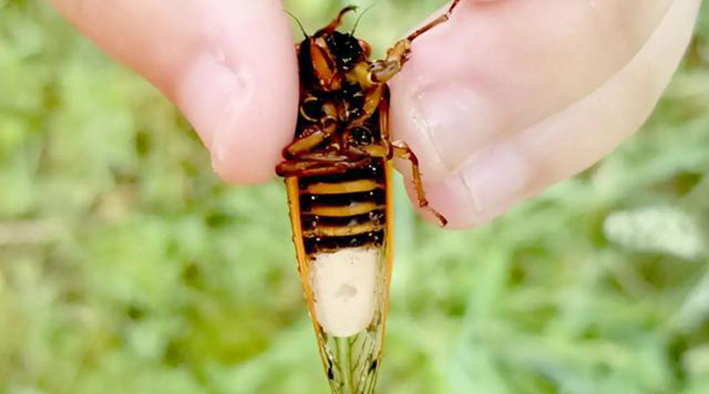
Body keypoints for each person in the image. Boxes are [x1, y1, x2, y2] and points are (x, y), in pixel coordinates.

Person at [46, 0, 702, 228]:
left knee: (408, 148)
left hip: (355, 167)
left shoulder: (372, 81)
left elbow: (396, 79)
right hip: (328, 169)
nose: (335, 60)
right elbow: (280, 153)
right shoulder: (311, 94)